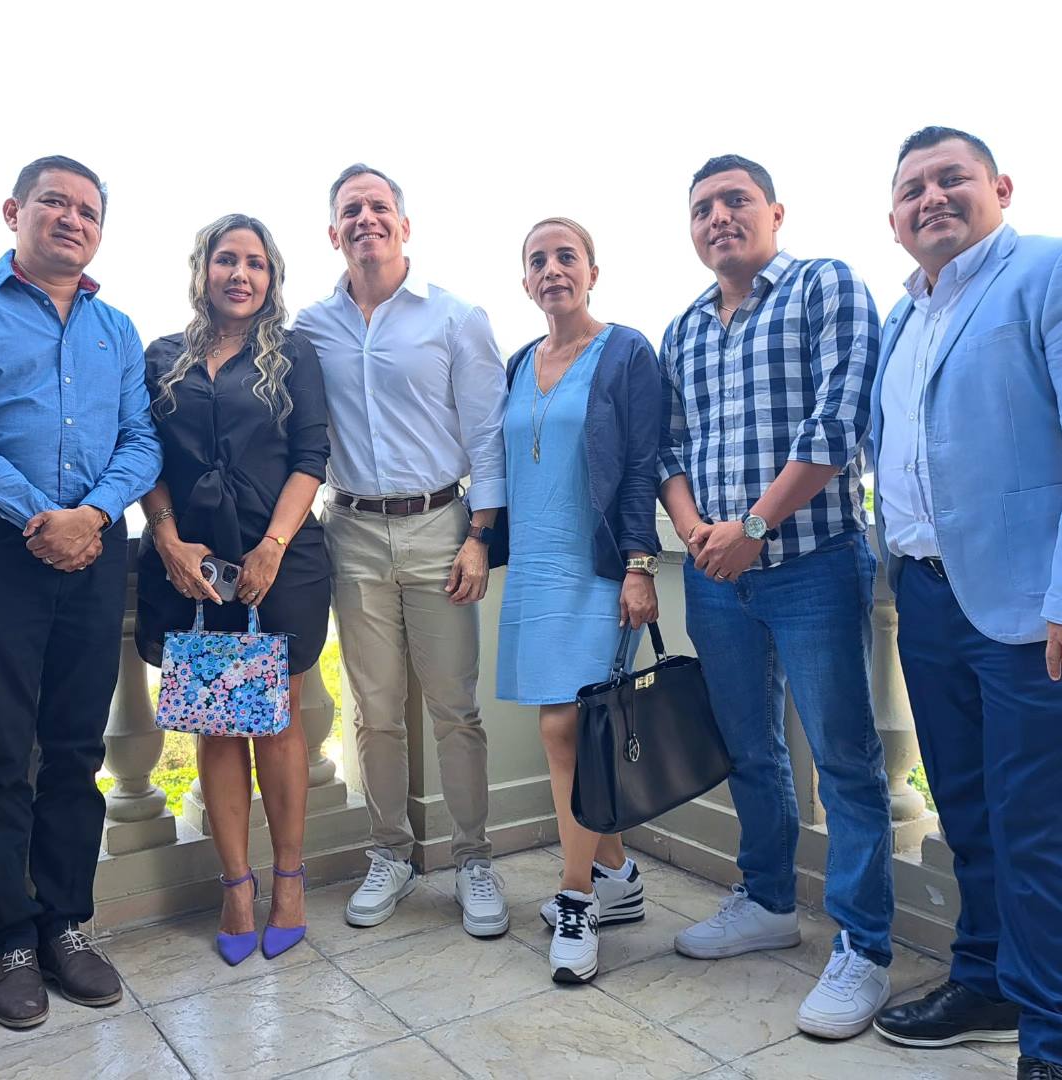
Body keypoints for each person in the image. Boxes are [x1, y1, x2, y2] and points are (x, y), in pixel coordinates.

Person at [869, 127, 1062, 1080]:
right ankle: (982, 981)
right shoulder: (903, 319)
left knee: (1042, 828)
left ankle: (1049, 1042)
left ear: (1002, 188)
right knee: (966, 812)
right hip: (928, 601)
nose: (931, 198)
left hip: (1039, 613)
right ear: (894, 220)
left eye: (952, 178)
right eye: (912, 189)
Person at [657, 154, 893, 1039]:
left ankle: (864, 946)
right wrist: (696, 533)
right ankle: (766, 902)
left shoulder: (824, 287)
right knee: (749, 749)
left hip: (812, 563)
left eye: (736, 200)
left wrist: (753, 526)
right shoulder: (683, 329)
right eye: (703, 207)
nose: (719, 217)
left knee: (844, 758)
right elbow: (668, 448)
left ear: (775, 212)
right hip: (716, 577)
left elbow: (839, 421)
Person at [0, 156, 161, 1030]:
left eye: (88, 211)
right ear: (14, 211)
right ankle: (10, 944)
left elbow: (141, 440)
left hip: (97, 550)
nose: (72, 220)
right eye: (54, 203)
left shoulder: (116, 327)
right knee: (2, 751)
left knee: (75, 748)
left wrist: (92, 515)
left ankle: (66, 924)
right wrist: (44, 518)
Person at [295, 164, 510, 936]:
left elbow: (488, 435)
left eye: (379, 206)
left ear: (404, 225)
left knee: (456, 708)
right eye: (351, 209)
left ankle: (474, 859)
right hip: (350, 530)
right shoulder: (310, 328)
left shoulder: (455, 318)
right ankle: (390, 852)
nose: (366, 219)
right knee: (374, 711)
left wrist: (480, 537)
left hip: (441, 527)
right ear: (334, 233)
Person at [134, 214, 330, 966]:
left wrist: (271, 548)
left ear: (272, 277)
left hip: (279, 560)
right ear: (203, 270)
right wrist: (166, 536)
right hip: (192, 567)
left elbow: (310, 457)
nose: (240, 274)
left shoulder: (295, 354)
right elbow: (144, 454)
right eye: (226, 259)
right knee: (215, 728)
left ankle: (290, 882)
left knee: (277, 723)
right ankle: (237, 888)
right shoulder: (162, 356)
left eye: (255, 262)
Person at [496, 217, 662, 983]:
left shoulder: (626, 351)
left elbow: (642, 464)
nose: (552, 269)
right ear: (525, 281)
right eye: (538, 260)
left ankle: (576, 898)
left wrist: (639, 565)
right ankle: (617, 876)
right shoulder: (517, 362)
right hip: (534, 567)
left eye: (567, 256)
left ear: (593, 271)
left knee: (567, 726)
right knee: (572, 732)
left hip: (595, 568)